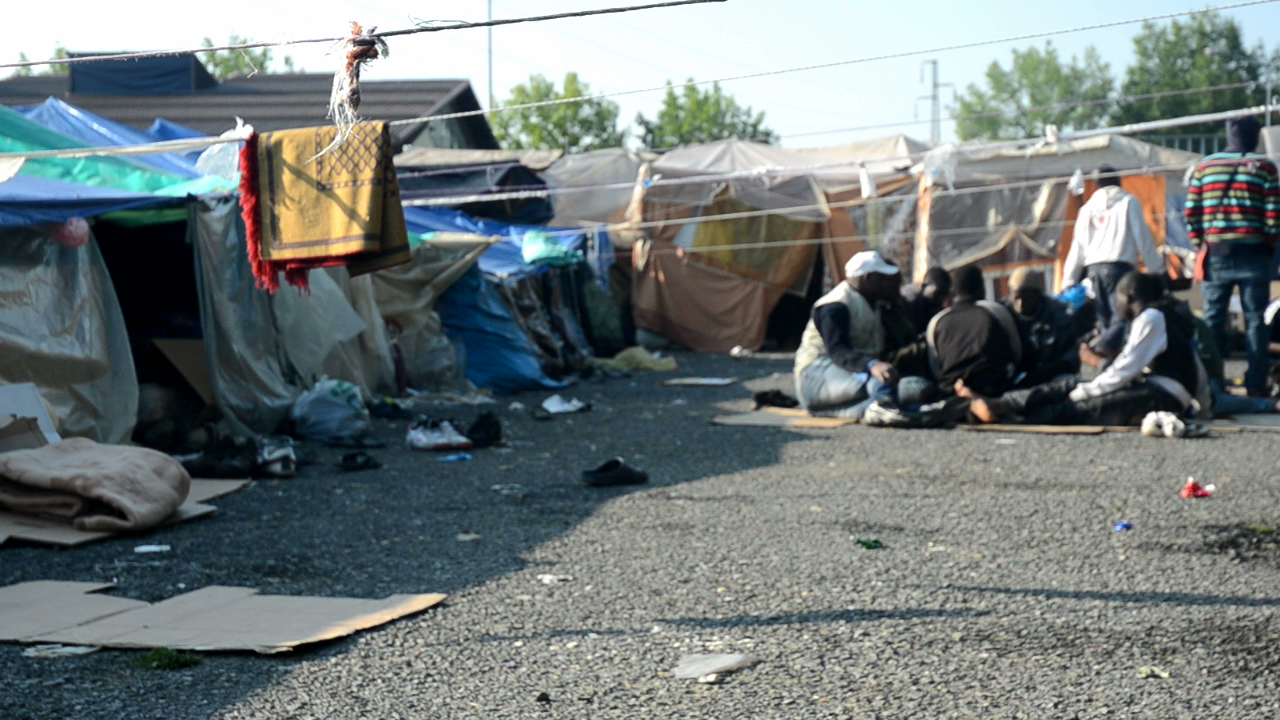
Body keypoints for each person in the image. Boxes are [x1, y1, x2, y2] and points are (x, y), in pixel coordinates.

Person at [963, 272, 1200, 426]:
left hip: (1164, 394)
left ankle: (1008, 416)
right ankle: (999, 404)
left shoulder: (1152, 317)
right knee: (1064, 387)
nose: (1116, 307)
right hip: (1157, 388)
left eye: (1117, 299)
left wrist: (1085, 391)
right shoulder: (1156, 316)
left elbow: (1125, 371)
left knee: (1078, 408)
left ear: (1128, 296)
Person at [1186, 115, 1280, 397]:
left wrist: (1199, 241)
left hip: (1216, 253)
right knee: (1255, 320)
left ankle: (1213, 384)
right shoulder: (1265, 166)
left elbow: (1192, 212)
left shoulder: (1205, 166)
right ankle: (1255, 384)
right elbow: (1274, 216)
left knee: (1213, 319)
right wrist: (1269, 246)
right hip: (1255, 254)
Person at [793, 251, 928, 419]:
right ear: (869, 278)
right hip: (816, 375)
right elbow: (837, 351)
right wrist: (871, 364)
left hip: (849, 377)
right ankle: (888, 407)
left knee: (912, 388)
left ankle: (887, 411)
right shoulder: (835, 305)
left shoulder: (871, 302)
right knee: (880, 382)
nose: (889, 285)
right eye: (883, 279)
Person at [1062, 165, 1163, 353]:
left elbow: (1078, 247)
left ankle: (1106, 364)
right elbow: (1143, 238)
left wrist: (1068, 280)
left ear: (1097, 185)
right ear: (1118, 181)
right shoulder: (1128, 202)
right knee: (1121, 320)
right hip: (1119, 271)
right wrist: (1157, 269)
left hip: (1093, 272)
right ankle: (1096, 351)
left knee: (1104, 321)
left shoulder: (1087, 209)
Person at [927, 265, 1023, 398]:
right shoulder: (996, 310)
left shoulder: (937, 321)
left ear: (954, 291)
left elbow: (936, 368)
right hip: (993, 391)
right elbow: (1017, 352)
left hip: (951, 393)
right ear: (981, 287)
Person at [1004, 267, 1084, 388]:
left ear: (1038, 295)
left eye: (1027, 298)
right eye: (1017, 297)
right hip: (1012, 380)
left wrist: (1042, 374)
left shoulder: (1060, 314)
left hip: (1051, 380)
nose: (1021, 304)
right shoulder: (1002, 314)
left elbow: (1071, 359)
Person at [900, 266, 953, 333]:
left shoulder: (940, 307)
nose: (942, 298)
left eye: (944, 294)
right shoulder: (910, 304)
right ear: (924, 286)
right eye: (939, 293)